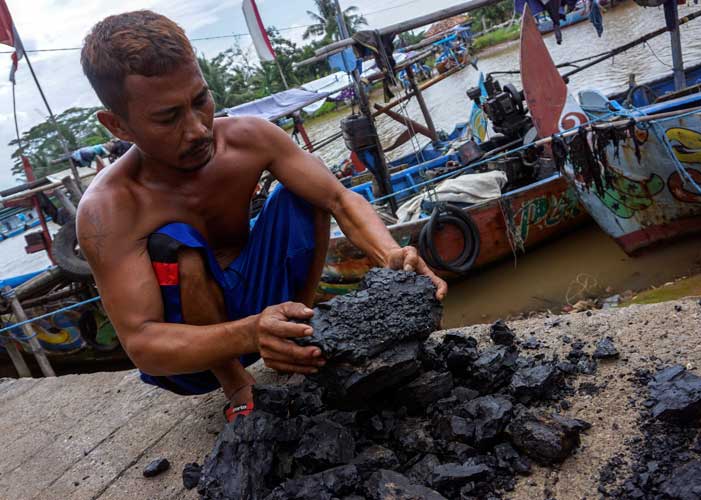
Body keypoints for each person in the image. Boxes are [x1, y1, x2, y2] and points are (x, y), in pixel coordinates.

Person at [76, 10, 447, 422]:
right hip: (195, 357)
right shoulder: (108, 208)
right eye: (168, 117)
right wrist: (252, 331)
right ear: (117, 126)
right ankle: (238, 385)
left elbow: (341, 200)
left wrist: (391, 255)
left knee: (303, 195)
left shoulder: (250, 138)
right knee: (176, 242)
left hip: (266, 304)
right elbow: (143, 343)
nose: (198, 128)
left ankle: (300, 335)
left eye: (200, 101)